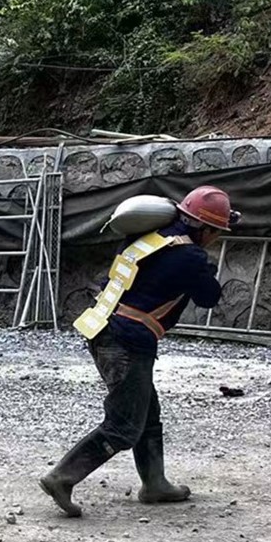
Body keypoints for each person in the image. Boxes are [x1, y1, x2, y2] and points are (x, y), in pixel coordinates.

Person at [40, 186, 239, 517]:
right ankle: (62, 477)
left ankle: (155, 483)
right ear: (204, 229)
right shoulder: (189, 255)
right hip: (127, 340)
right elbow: (209, 297)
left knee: (146, 412)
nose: (216, 238)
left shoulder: (151, 237)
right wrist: (208, 269)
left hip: (102, 327)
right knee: (124, 425)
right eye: (217, 232)